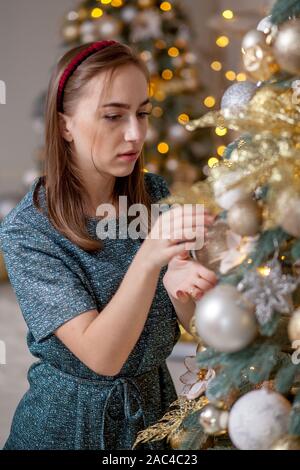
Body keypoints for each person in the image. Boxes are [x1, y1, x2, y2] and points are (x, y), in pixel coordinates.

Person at [0, 40, 217, 450]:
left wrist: (184, 288)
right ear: (65, 124)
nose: (135, 134)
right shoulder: (27, 231)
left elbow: (196, 324)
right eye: (113, 116)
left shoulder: (153, 195)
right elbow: (103, 357)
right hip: (69, 429)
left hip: (157, 419)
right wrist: (150, 257)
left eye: (142, 114)